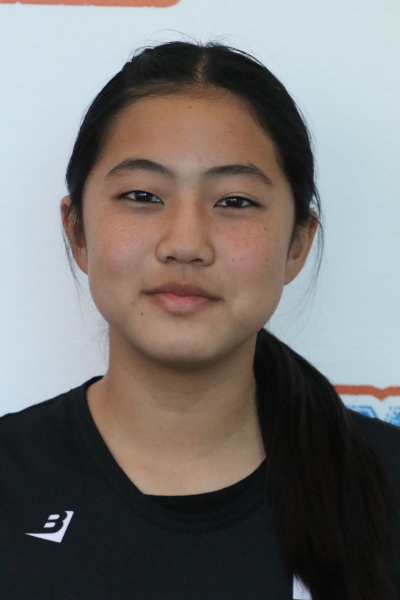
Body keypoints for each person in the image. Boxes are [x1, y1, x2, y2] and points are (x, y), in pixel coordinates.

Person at [0, 41, 399, 600]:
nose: (185, 243)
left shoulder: (385, 484)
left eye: (234, 201)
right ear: (78, 233)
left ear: (297, 244)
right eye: (142, 195)